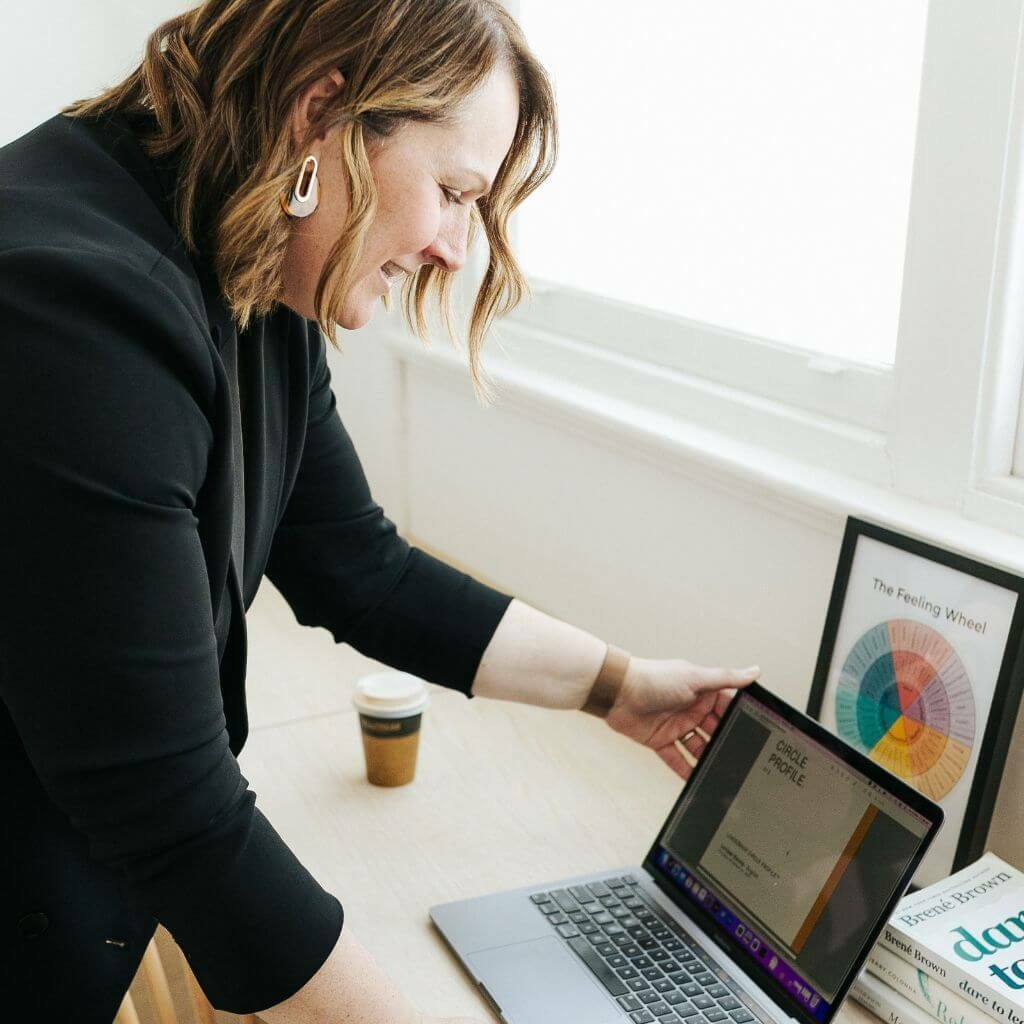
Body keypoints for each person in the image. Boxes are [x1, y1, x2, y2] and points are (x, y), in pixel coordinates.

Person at [0, 1, 760, 1021]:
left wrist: (622, 688)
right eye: (452, 192)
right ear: (324, 113)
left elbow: (359, 566)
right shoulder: (71, 309)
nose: (455, 247)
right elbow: (166, 806)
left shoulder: (245, 259)